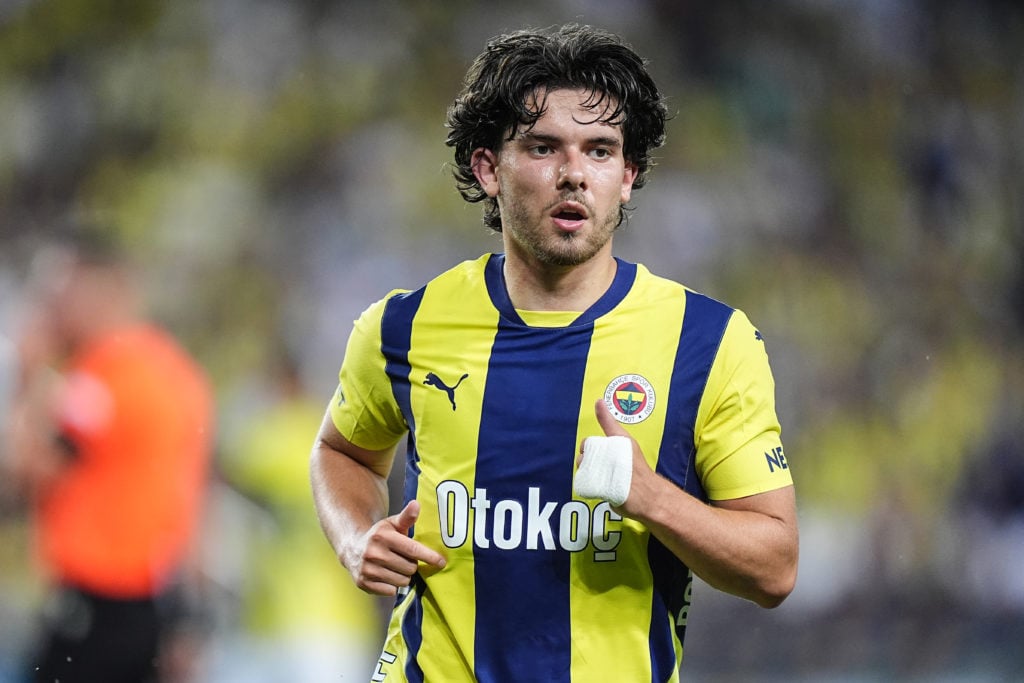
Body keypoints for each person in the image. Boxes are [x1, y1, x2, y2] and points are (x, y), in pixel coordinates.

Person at [310, 24, 798, 682]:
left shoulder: (707, 342)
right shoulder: (403, 326)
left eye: (600, 151)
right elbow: (342, 451)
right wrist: (355, 537)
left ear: (627, 177)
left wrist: (653, 498)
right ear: (488, 167)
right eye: (544, 147)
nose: (573, 174)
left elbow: (775, 567)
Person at [5, 230, 214, 683]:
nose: (52, 306)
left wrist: (28, 373)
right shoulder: (175, 368)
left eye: (60, 290)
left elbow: (28, 467)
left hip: (100, 599)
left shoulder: (105, 373)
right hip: (156, 599)